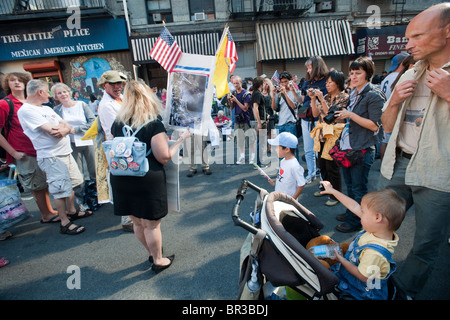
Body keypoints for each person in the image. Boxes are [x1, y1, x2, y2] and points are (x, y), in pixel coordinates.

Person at [379, 3, 450, 299]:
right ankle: (369, 278)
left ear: (447, 32)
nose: (408, 44)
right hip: (400, 165)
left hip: (438, 174)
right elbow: (386, 124)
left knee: (425, 244)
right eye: (408, 37)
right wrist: (393, 101)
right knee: (377, 222)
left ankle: (402, 292)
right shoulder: (410, 72)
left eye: (417, 36)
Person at [110, 81, 191, 273]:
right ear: (149, 97)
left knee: (137, 222)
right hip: (146, 178)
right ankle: (158, 259)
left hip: (121, 176)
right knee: (151, 225)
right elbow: (163, 157)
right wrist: (179, 141)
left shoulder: (118, 123)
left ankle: (151, 253)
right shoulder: (154, 124)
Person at [18, 79, 92, 235]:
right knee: (59, 189)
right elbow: (53, 131)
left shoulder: (46, 108)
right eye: (48, 91)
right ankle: (65, 222)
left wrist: (64, 129)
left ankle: (72, 210)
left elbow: (64, 125)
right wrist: (65, 129)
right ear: (40, 92)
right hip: (51, 156)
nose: (50, 95)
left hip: (65, 152)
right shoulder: (27, 110)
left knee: (73, 182)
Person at [320, 181, 406, 300]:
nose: (360, 213)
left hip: (361, 292)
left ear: (378, 218)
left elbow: (362, 276)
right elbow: (354, 206)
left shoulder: (374, 253)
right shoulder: (378, 229)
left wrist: (341, 259)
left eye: (363, 212)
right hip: (352, 277)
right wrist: (332, 190)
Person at [334, 56, 385, 233]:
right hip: (349, 146)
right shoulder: (354, 93)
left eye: (358, 73)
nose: (353, 77)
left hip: (362, 149)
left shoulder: (374, 95)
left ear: (368, 74)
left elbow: (374, 125)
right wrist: (344, 116)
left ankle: (356, 222)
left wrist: (350, 115)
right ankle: (351, 212)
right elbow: (353, 119)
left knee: (359, 188)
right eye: (352, 73)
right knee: (350, 186)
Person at [0, 72, 58, 224]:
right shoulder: (5, 104)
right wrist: (13, 153)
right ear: (8, 84)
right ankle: (46, 214)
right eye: (13, 80)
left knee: (42, 182)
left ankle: (50, 211)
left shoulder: (30, 102)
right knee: (35, 184)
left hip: (40, 149)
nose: (17, 83)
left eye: (20, 80)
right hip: (23, 152)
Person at [96, 70, 131, 231]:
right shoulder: (106, 105)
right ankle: (127, 220)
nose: (118, 86)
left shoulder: (121, 98)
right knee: (124, 184)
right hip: (119, 147)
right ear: (105, 86)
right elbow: (119, 127)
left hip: (126, 144)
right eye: (113, 84)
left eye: (120, 83)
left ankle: (131, 215)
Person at [309, 70, 348, 207]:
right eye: (326, 82)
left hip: (334, 135)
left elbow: (331, 116)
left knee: (332, 166)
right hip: (322, 134)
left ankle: (336, 194)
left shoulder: (343, 97)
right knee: (322, 165)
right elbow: (315, 114)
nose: (327, 85)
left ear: (338, 83)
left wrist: (320, 99)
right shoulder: (324, 97)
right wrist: (314, 99)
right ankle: (326, 189)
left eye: (330, 82)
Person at [52, 83, 96, 184]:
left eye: (65, 91)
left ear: (69, 92)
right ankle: (81, 196)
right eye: (59, 93)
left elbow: (93, 122)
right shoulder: (57, 110)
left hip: (88, 140)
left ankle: (97, 195)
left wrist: (77, 129)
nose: (63, 94)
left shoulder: (82, 105)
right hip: (71, 143)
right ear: (56, 96)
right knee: (78, 173)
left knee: (94, 170)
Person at [379, 54, 414, 161]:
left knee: (385, 141)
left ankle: (383, 164)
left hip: (386, 111)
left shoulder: (388, 77)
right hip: (393, 112)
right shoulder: (402, 77)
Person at [301, 57, 329, 183]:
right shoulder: (307, 82)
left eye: (310, 67)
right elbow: (301, 101)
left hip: (320, 119)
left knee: (320, 150)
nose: (308, 70)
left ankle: (323, 177)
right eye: (307, 68)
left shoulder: (327, 82)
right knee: (308, 149)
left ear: (317, 67)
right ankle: (311, 173)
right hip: (306, 118)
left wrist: (318, 96)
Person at [272, 71, 302, 161]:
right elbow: (274, 108)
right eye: (282, 82)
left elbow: (294, 106)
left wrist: (285, 93)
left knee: (292, 148)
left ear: (290, 81)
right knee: (281, 149)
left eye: (286, 81)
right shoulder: (279, 94)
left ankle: (295, 168)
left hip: (291, 123)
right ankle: (284, 169)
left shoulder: (295, 92)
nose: (284, 84)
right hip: (280, 124)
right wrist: (273, 96)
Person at [268, 132, 305, 200]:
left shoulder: (294, 166)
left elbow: (301, 184)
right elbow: (285, 177)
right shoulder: (283, 161)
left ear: (287, 149)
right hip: (279, 197)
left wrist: (292, 200)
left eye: (277, 147)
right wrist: (275, 180)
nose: (275, 150)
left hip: (287, 202)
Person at [228, 75, 255, 164]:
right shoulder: (234, 93)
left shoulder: (246, 94)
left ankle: (253, 156)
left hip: (246, 119)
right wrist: (230, 101)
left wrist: (236, 100)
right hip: (237, 119)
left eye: (237, 83)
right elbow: (231, 108)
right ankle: (242, 156)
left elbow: (245, 108)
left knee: (250, 139)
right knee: (239, 140)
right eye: (234, 83)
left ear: (241, 83)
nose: (235, 85)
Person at [250, 76, 268, 167]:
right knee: (260, 143)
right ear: (261, 84)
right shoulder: (257, 93)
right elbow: (255, 108)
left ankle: (259, 161)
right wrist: (259, 122)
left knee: (260, 142)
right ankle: (258, 163)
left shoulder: (256, 93)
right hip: (259, 121)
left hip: (261, 120)